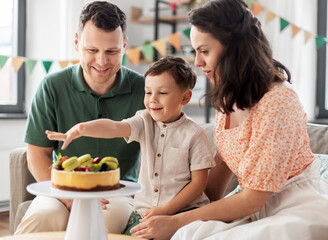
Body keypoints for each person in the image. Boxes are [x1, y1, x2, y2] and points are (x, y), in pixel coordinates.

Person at [129, 0, 328, 239]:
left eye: (204, 51)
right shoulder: (228, 96)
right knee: (189, 234)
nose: (197, 62)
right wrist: (172, 212)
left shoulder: (279, 101)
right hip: (253, 206)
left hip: (299, 206)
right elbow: (220, 170)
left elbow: (253, 199)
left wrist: (175, 221)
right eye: (196, 51)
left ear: (234, 49)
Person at [46, 56, 216, 234]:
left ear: (185, 97)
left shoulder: (195, 134)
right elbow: (114, 127)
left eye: (162, 93)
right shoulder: (144, 120)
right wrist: (82, 129)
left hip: (185, 214)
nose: (153, 100)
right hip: (144, 213)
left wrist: (166, 211)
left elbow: (198, 184)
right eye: (148, 92)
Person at [15, 1, 145, 235]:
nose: (102, 62)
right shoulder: (51, 86)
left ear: (124, 46)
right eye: (92, 50)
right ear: (77, 44)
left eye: (112, 51)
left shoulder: (145, 89)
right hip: (61, 189)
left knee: (100, 226)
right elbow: (37, 153)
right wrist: (67, 198)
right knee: (40, 219)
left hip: (117, 192)